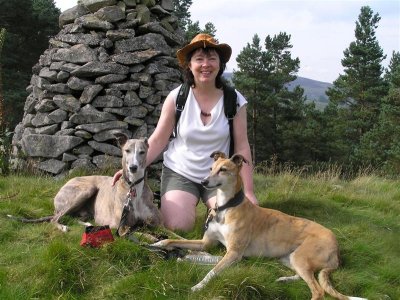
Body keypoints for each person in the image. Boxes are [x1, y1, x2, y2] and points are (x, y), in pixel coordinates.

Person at [113, 33, 258, 232]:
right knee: (177, 226)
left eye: (212, 58)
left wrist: (248, 191)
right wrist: (132, 168)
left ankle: (214, 211)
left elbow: (242, 146)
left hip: (219, 174)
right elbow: (158, 139)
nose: (205, 64)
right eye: (199, 59)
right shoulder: (177, 97)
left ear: (220, 64)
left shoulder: (235, 100)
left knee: (234, 226)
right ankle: (204, 212)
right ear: (189, 65)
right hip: (180, 171)